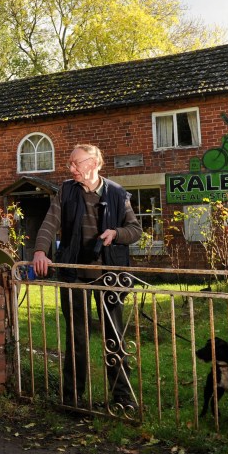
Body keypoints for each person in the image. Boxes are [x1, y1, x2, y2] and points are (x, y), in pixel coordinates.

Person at [31, 144, 142, 410]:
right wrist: (39, 252)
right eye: (70, 164)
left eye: (75, 163)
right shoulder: (66, 191)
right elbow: (49, 223)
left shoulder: (116, 193)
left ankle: (123, 398)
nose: (71, 169)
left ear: (93, 163)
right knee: (76, 336)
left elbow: (135, 229)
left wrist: (116, 234)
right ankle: (73, 398)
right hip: (75, 274)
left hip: (108, 275)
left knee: (113, 336)